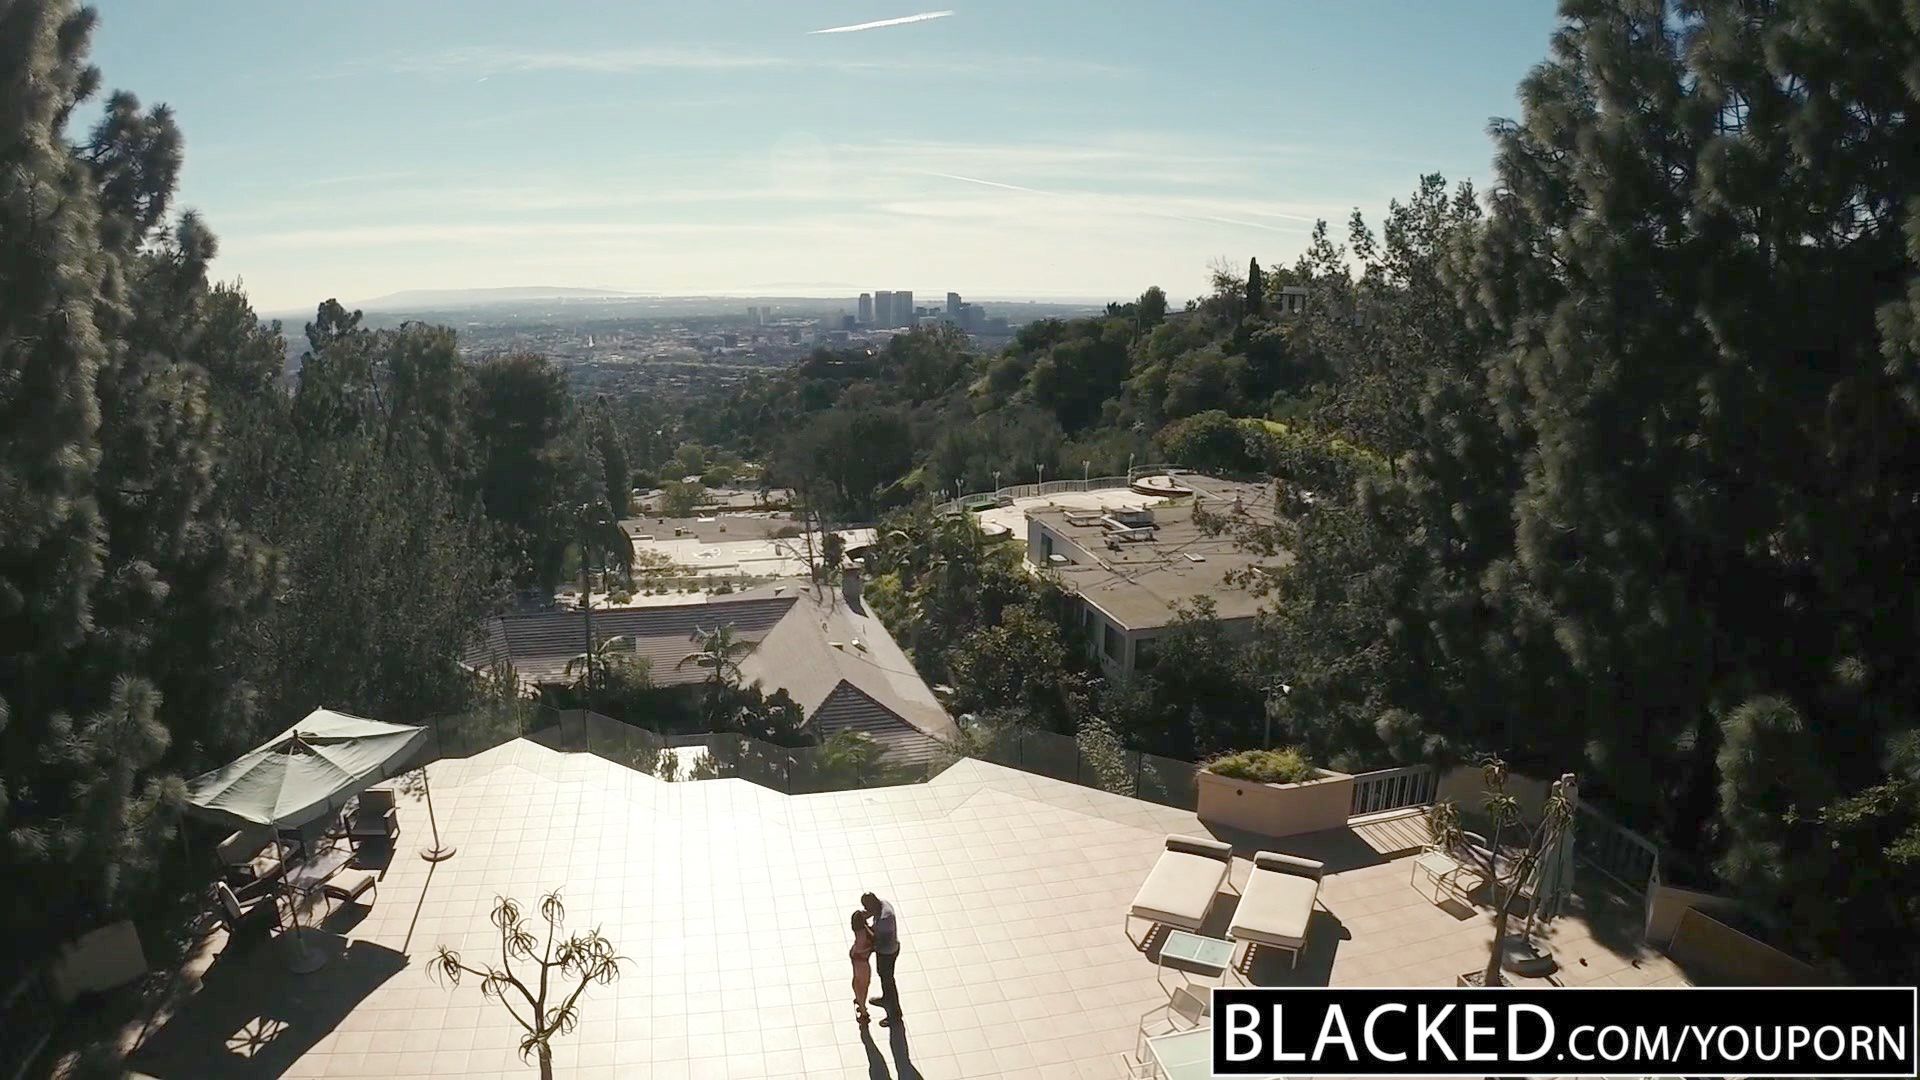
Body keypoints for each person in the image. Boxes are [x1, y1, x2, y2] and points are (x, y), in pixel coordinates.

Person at [860, 891, 901, 1026]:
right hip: (885, 950)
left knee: (888, 981)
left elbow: (876, 939)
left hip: (887, 952)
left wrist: (864, 925)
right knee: (883, 977)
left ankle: (895, 1015)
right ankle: (886, 999)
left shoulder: (884, 919)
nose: (867, 911)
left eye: (867, 908)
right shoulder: (883, 904)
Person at [848, 909, 875, 1025]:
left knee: (858, 982)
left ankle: (860, 1002)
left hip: (858, 961)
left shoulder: (861, 930)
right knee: (863, 985)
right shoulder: (863, 935)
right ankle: (863, 1011)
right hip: (862, 963)